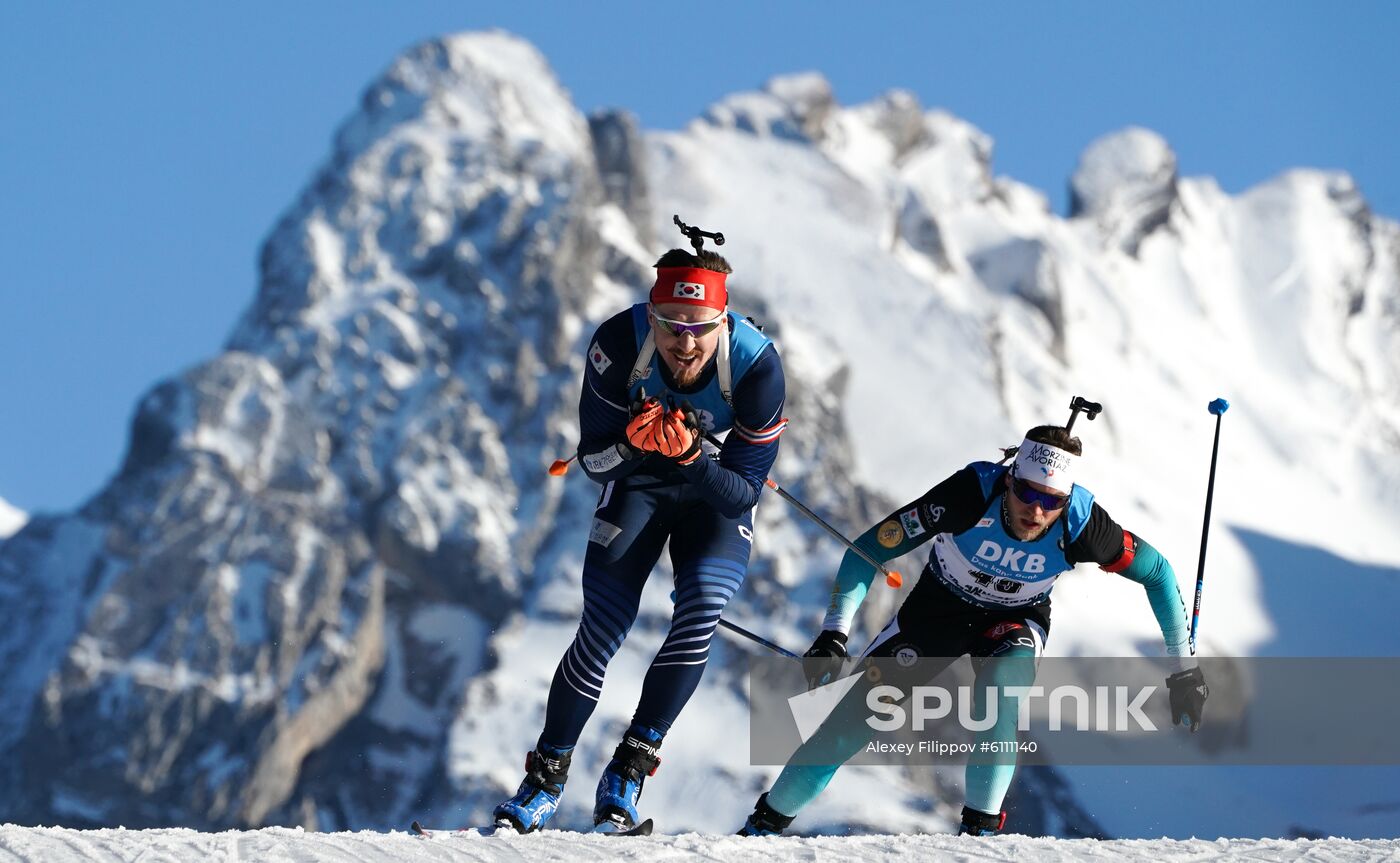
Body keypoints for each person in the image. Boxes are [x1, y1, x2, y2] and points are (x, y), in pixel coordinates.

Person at [737, 423, 1209, 837]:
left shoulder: (1083, 523)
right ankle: (759, 832)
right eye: (1026, 493)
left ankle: (978, 842)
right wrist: (834, 633)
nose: (1037, 511)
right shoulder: (968, 494)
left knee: (1000, 699)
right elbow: (868, 549)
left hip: (1014, 621)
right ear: (1008, 481)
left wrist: (1184, 670)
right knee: (844, 728)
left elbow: (1159, 573)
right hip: (935, 614)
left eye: (1052, 502)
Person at [493, 242, 787, 833]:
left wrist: (693, 460)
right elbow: (595, 463)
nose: (685, 344)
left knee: (702, 606)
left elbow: (741, 494)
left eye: (700, 329)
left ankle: (628, 769)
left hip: (710, 488)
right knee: (603, 623)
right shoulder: (618, 345)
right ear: (651, 317)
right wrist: (632, 444)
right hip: (638, 485)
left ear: (722, 322)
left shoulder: (757, 367)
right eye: (673, 327)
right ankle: (544, 778)